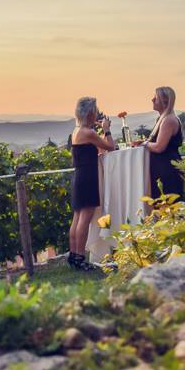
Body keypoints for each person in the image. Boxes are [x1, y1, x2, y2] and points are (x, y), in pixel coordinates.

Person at [68, 97, 116, 270]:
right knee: (84, 220)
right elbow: (110, 147)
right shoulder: (88, 133)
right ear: (90, 114)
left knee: (77, 218)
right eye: (95, 110)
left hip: (79, 176)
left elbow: (99, 148)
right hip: (88, 177)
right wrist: (107, 130)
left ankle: (73, 256)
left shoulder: (77, 131)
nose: (97, 113)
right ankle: (81, 258)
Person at [144, 86, 185, 201]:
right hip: (162, 169)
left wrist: (145, 144)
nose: (152, 100)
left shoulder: (168, 120)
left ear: (165, 101)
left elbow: (159, 147)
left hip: (168, 170)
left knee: (170, 203)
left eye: (155, 98)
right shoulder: (162, 119)